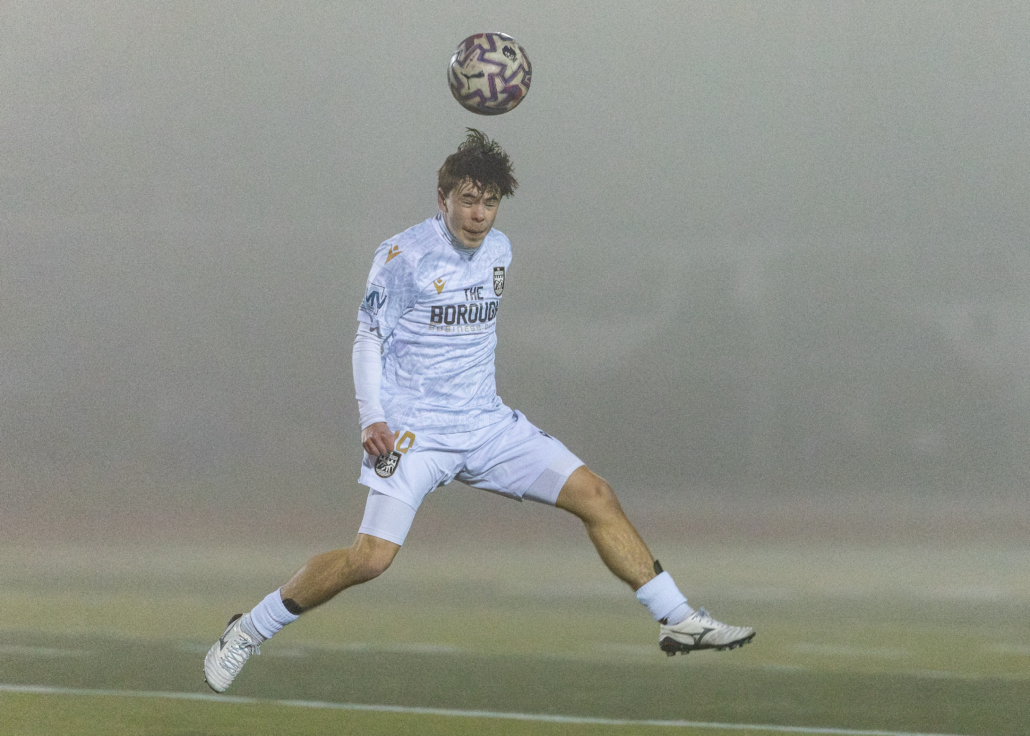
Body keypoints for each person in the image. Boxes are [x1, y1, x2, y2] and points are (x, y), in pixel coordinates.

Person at [203, 129, 754, 693]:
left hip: (488, 426)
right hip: (413, 434)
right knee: (370, 560)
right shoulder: (403, 256)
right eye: (468, 200)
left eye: (489, 202)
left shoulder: (501, 251)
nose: (479, 215)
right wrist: (373, 416)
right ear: (441, 198)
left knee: (597, 496)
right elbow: (368, 337)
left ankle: (677, 619)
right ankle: (249, 629)